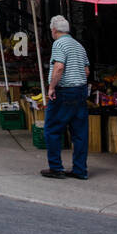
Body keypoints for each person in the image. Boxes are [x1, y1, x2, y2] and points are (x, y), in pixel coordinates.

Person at [41, 15, 91, 181]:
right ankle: (80, 169)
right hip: (81, 91)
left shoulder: (59, 44)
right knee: (80, 133)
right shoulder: (78, 45)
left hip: (65, 92)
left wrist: (51, 87)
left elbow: (59, 66)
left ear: (54, 30)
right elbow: (86, 71)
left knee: (52, 129)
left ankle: (56, 167)